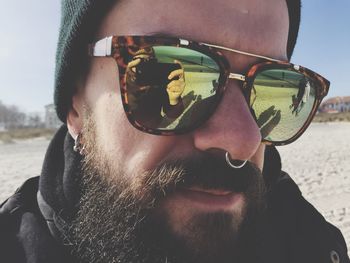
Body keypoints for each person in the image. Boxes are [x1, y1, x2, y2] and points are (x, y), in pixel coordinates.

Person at [0, 1, 349, 263]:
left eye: (276, 87)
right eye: (163, 69)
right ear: (76, 107)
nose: (244, 140)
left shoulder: (312, 241)